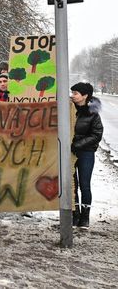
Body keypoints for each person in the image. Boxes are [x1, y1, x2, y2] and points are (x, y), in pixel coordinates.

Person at [70, 82, 103, 229]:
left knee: (84, 184)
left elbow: (96, 134)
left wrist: (78, 144)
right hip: (69, 152)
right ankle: (74, 214)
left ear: (85, 96)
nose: (72, 95)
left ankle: (85, 217)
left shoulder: (93, 114)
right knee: (72, 184)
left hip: (86, 153)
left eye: (76, 93)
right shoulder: (67, 109)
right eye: (72, 92)